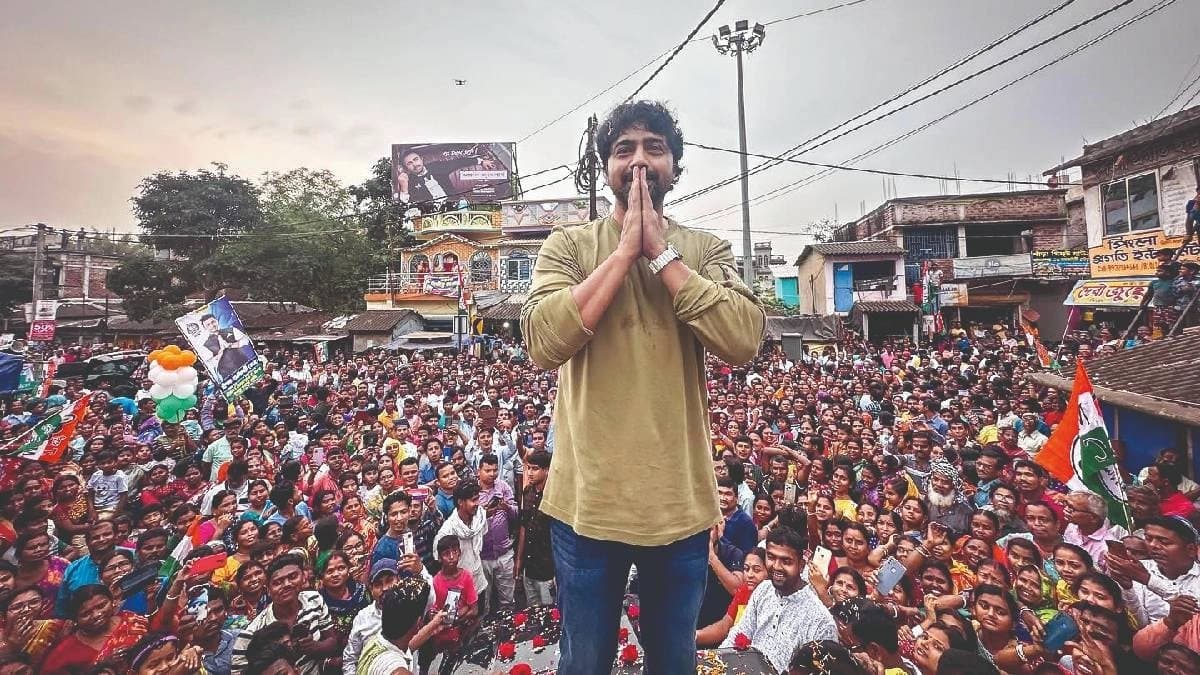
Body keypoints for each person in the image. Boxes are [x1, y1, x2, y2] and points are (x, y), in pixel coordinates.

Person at [521, 100, 764, 673]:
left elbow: (744, 339)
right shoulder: (569, 246)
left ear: (675, 167)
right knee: (584, 661)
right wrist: (623, 252)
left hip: (678, 506)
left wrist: (659, 252)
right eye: (623, 149)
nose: (637, 162)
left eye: (654, 148)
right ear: (604, 168)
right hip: (586, 506)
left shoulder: (707, 250)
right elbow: (541, 342)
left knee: (673, 660)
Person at [720, 526, 837, 673]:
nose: (776, 567)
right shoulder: (764, 589)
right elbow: (740, 632)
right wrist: (718, 660)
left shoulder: (821, 621)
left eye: (786, 561)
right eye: (771, 557)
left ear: (801, 565)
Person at [230, 554, 339, 675]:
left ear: (303, 577)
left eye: (293, 577)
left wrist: (314, 647)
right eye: (278, 582)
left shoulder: (314, 600)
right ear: (268, 590)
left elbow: (332, 641)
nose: (287, 584)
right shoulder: (250, 634)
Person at [357, 578, 446, 675]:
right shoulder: (398, 671)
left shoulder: (378, 640)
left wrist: (434, 624)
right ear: (418, 622)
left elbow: (408, 646)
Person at [516, 450, 555, 607]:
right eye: (528, 468)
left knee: (550, 613)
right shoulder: (528, 492)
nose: (530, 473)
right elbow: (524, 527)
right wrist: (519, 559)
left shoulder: (554, 497)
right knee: (532, 611)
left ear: (546, 470)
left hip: (548, 570)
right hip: (529, 566)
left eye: (535, 468)